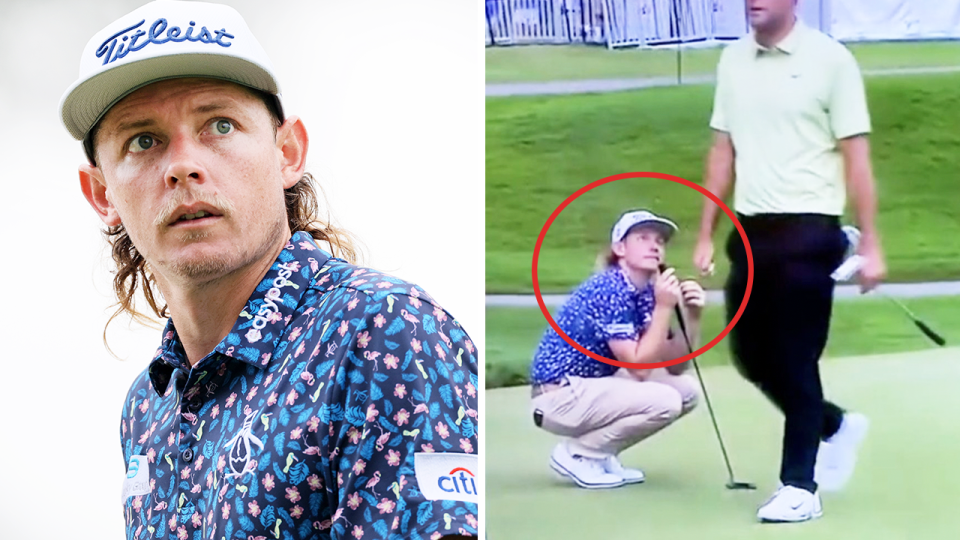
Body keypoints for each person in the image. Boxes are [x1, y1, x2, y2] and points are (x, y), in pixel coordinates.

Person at [59, 2, 479, 538]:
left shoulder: (386, 332)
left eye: (220, 124)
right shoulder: (146, 406)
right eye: (143, 140)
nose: (184, 165)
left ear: (287, 152)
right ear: (101, 194)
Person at [694, 0, 886, 523]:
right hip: (751, 231)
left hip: (810, 228)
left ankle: (800, 485)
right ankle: (832, 425)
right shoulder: (732, 61)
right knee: (750, 356)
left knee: (796, 357)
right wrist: (707, 232)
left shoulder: (831, 61)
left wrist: (872, 243)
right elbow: (722, 150)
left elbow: (857, 158)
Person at [528, 210, 704, 489]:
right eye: (643, 237)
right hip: (557, 396)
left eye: (659, 240)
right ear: (619, 249)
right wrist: (664, 307)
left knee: (686, 390)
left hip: (589, 387)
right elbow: (638, 367)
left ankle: (599, 454)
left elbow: (675, 365)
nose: (654, 245)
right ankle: (580, 454)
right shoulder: (610, 287)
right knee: (665, 400)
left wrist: (692, 317)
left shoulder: (646, 291)